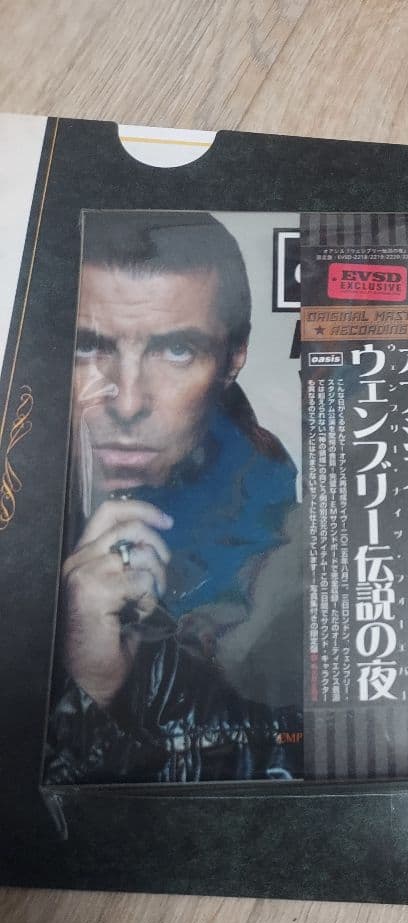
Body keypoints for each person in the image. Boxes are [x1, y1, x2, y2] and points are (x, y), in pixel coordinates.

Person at [45, 211, 302, 785]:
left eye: (177, 351)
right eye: (88, 347)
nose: (127, 401)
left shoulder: (298, 572)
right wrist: (87, 687)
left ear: (233, 358)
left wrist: (91, 703)